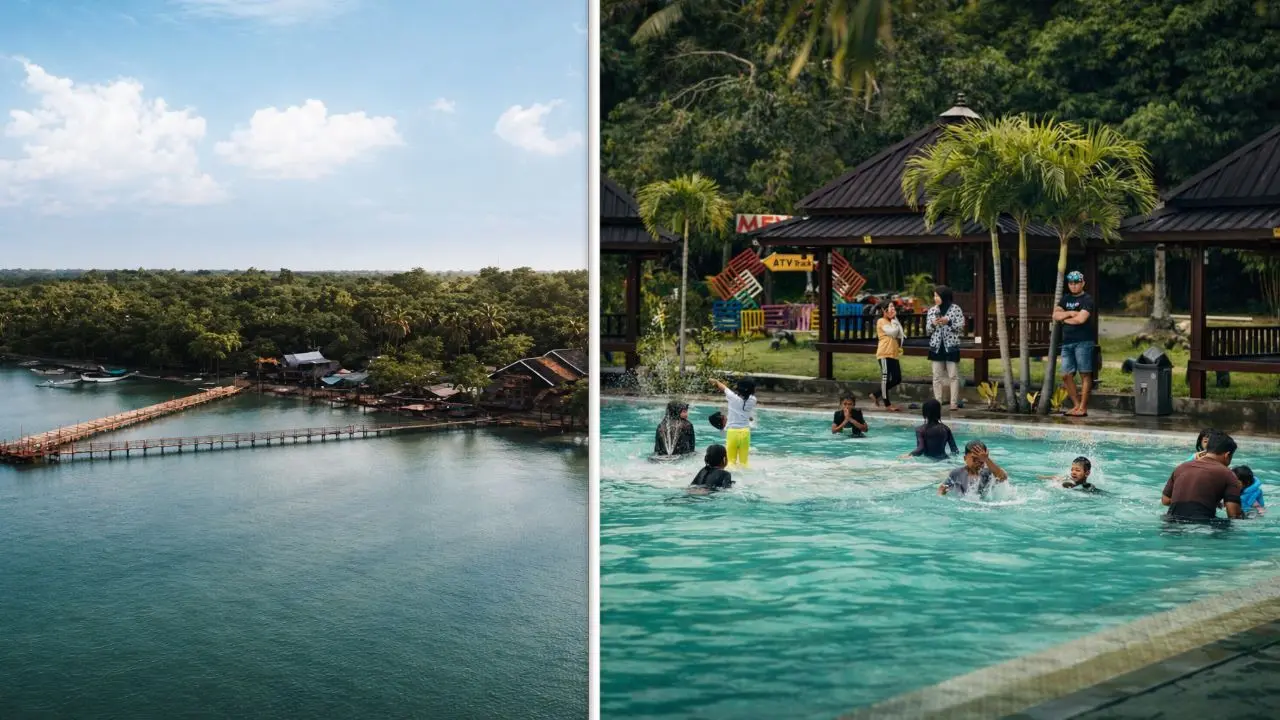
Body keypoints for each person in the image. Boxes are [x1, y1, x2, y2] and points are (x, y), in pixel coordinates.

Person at [1161, 431, 1243, 521]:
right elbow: (1233, 514)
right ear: (1227, 455)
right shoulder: (1228, 474)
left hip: (1171, 522)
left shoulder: (1181, 467)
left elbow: (1165, 500)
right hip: (1202, 524)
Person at [1054, 270, 1096, 417]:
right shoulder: (1064, 299)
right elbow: (1055, 314)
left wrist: (1064, 317)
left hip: (1083, 342)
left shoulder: (1087, 299)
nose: (1074, 286)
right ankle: (1076, 405)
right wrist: (1071, 313)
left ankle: (1083, 407)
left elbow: (1081, 320)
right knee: (1066, 375)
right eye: (1071, 283)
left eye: (1077, 283)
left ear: (1083, 283)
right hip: (1067, 343)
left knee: (1085, 373)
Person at [926, 285, 966, 410]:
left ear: (944, 296)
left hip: (951, 347)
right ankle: (938, 402)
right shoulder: (932, 310)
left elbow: (961, 327)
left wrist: (948, 322)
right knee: (936, 376)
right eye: (934, 295)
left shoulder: (955, 309)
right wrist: (933, 324)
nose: (935, 298)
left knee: (953, 376)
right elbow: (927, 330)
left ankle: (953, 403)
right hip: (936, 347)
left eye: (937, 296)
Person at [711, 377, 757, 468]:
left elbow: (723, 387)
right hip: (745, 433)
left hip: (733, 433)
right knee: (744, 462)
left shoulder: (732, 398)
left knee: (730, 462)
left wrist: (716, 381)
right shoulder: (753, 400)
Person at [939, 440, 1009, 497]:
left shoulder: (988, 473)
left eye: (981, 459)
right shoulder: (956, 473)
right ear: (965, 458)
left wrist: (987, 460)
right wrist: (942, 492)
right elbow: (942, 489)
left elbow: (1003, 477)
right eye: (974, 459)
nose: (978, 462)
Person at [872, 300, 904, 411]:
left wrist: (895, 319)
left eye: (893, 307)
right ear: (883, 310)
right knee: (885, 378)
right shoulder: (881, 321)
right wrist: (894, 321)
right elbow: (893, 332)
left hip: (893, 353)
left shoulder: (892, 321)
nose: (892, 309)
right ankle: (887, 404)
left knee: (897, 378)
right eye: (890, 307)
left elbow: (900, 334)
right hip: (884, 353)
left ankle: (876, 394)